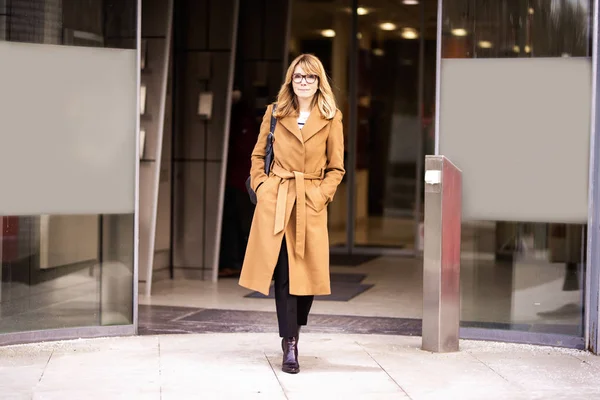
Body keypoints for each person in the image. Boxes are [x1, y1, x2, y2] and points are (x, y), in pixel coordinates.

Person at [239, 54, 345, 374]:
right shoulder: (275, 113)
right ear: (290, 80)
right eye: (298, 77)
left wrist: (319, 196)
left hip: (309, 202)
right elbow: (258, 156)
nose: (303, 82)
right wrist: (262, 187)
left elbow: (336, 167)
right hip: (279, 200)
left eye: (310, 78)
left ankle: (295, 321)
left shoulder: (331, 117)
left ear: (318, 82)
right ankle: (290, 344)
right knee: (285, 276)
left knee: (308, 280)